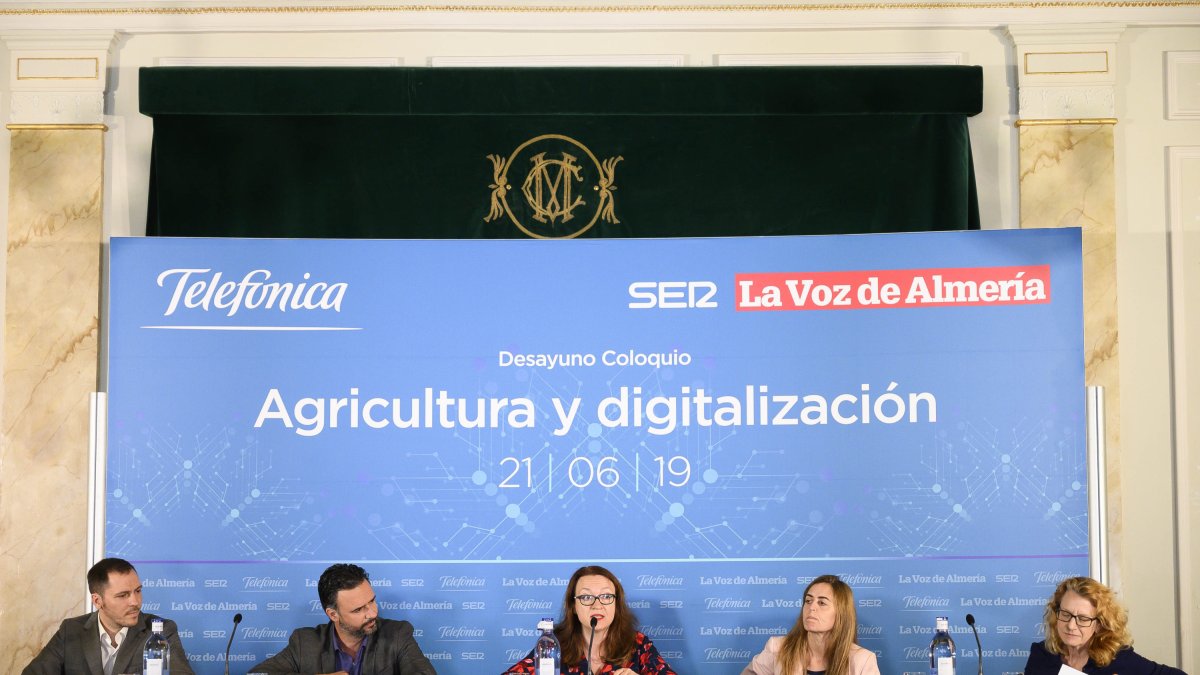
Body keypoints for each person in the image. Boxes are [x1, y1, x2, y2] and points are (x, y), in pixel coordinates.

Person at [250, 562, 436, 675]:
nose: (372, 613)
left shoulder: (397, 634)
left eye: (372, 601)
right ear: (333, 614)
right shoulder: (304, 642)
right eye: (358, 610)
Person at [23, 557, 195, 675]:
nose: (135, 601)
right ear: (98, 601)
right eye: (123, 595)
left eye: (138, 591)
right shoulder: (71, 630)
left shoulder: (160, 631)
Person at [502, 565, 676, 674]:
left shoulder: (637, 644)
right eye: (586, 597)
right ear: (574, 607)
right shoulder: (555, 644)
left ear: (616, 604)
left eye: (606, 596)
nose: (597, 605)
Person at [1024, 576, 1188, 675]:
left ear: (1099, 624)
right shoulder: (1041, 656)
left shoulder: (1117, 659)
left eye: (1082, 618)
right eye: (1065, 614)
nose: (1071, 626)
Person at [741, 574, 879, 675]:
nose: (811, 607)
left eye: (822, 603)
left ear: (841, 613)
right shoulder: (778, 648)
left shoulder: (862, 660)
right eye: (808, 601)